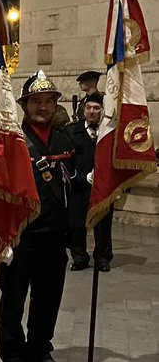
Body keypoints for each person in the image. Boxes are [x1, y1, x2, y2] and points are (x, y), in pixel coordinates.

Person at [0, 71, 75, 362]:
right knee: (13, 300)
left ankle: (40, 351)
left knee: (48, 298)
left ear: (55, 104)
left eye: (48, 101)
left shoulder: (66, 141)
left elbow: (75, 186)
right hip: (21, 236)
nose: (42, 107)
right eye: (36, 101)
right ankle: (13, 357)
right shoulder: (13, 143)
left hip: (55, 235)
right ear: (24, 105)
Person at [67, 91, 113, 272]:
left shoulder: (109, 132)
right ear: (83, 110)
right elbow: (67, 161)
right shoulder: (71, 131)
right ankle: (79, 257)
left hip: (103, 187)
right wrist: (81, 177)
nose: (92, 111)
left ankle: (103, 257)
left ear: (102, 110)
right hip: (79, 185)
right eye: (89, 108)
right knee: (76, 223)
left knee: (103, 224)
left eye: (96, 108)